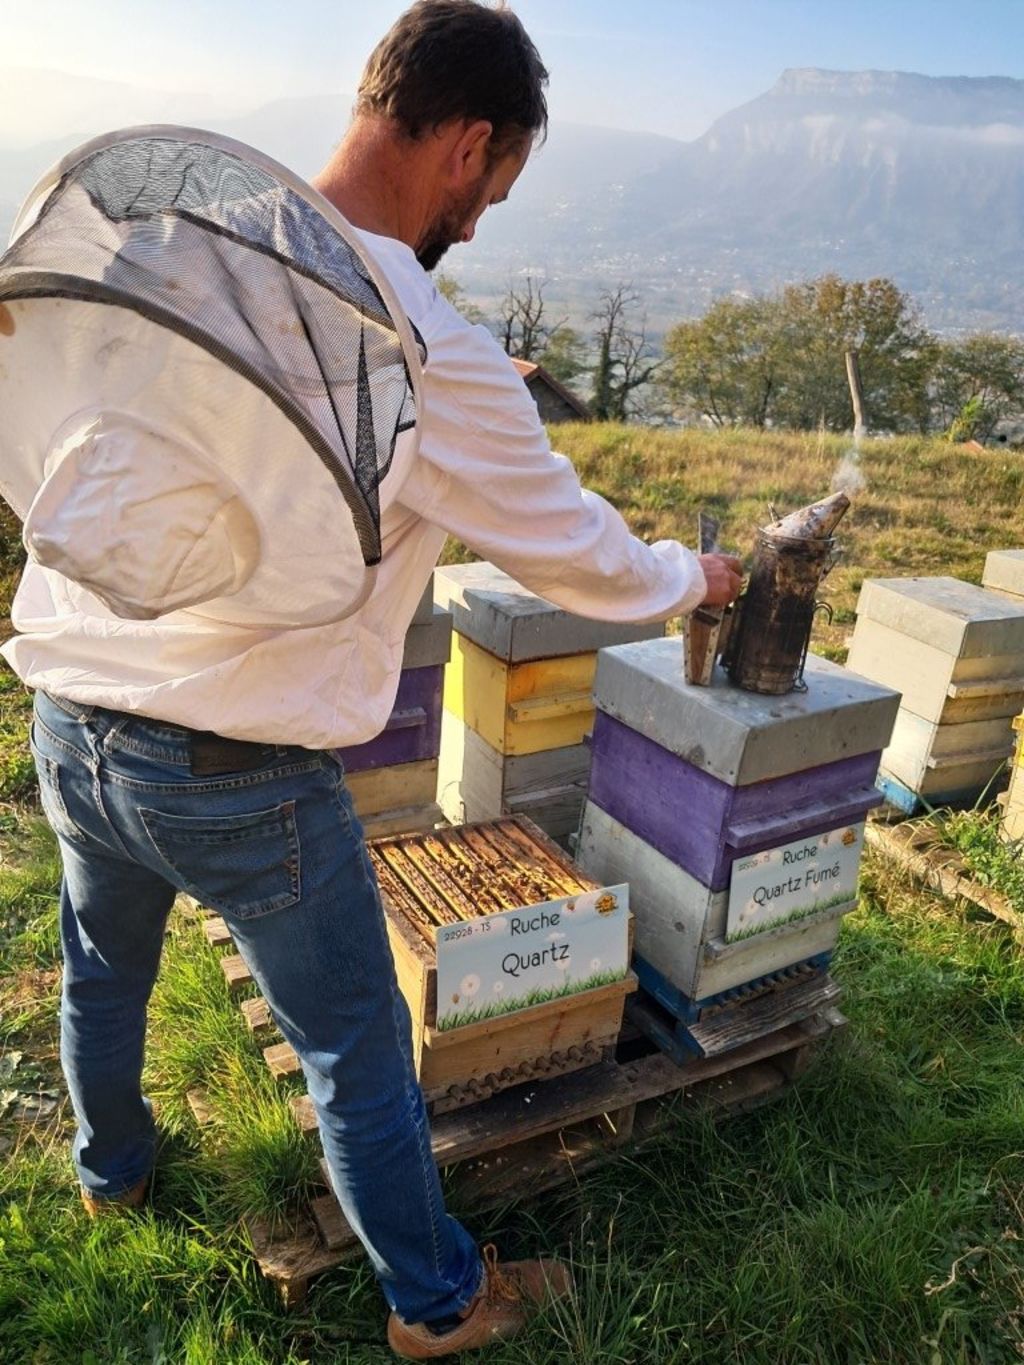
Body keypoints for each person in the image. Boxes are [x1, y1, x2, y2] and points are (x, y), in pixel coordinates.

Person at [3, 1, 743, 1358]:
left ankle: (113, 1176)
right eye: (500, 184)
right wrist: (690, 578)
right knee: (356, 1045)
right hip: (236, 772)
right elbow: (584, 559)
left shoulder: (180, 245)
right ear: (466, 146)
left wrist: (474, 405)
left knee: (101, 968)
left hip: (70, 716)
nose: (489, 215)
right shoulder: (433, 355)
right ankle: (441, 1301)